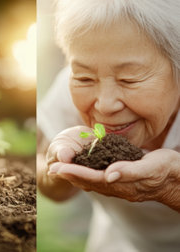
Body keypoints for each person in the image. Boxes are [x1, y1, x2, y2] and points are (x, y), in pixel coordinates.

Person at [37, 0, 180, 251]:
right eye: (84, 77)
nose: (104, 105)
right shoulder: (67, 93)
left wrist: (172, 187)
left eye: (129, 79)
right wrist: (60, 168)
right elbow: (42, 171)